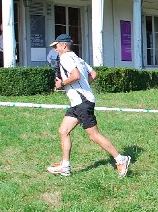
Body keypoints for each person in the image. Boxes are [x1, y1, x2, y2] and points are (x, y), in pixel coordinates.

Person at [46, 33, 131, 178]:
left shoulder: (65, 58)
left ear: (64, 46)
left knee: (94, 135)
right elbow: (93, 74)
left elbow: (75, 76)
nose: (55, 49)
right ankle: (65, 167)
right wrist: (84, 87)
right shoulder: (78, 58)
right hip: (78, 102)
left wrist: (62, 84)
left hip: (82, 103)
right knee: (63, 131)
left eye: (56, 46)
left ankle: (120, 159)